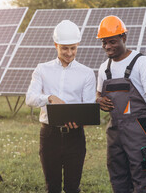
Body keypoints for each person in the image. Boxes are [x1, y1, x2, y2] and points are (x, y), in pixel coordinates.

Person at [95, 15, 146, 193]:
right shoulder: (104, 68)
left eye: (112, 41)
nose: (107, 47)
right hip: (114, 131)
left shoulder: (142, 62)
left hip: (138, 129)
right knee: (118, 177)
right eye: (104, 43)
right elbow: (98, 93)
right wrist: (98, 100)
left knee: (142, 178)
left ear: (123, 38)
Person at [26, 20, 96, 193]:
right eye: (65, 48)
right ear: (56, 45)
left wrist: (80, 122)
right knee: (53, 188)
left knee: (73, 188)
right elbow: (30, 98)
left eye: (73, 48)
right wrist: (49, 97)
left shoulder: (86, 73)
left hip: (75, 137)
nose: (69, 53)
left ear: (78, 45)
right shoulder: (42, 69)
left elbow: (87, 107)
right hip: (49, 135)